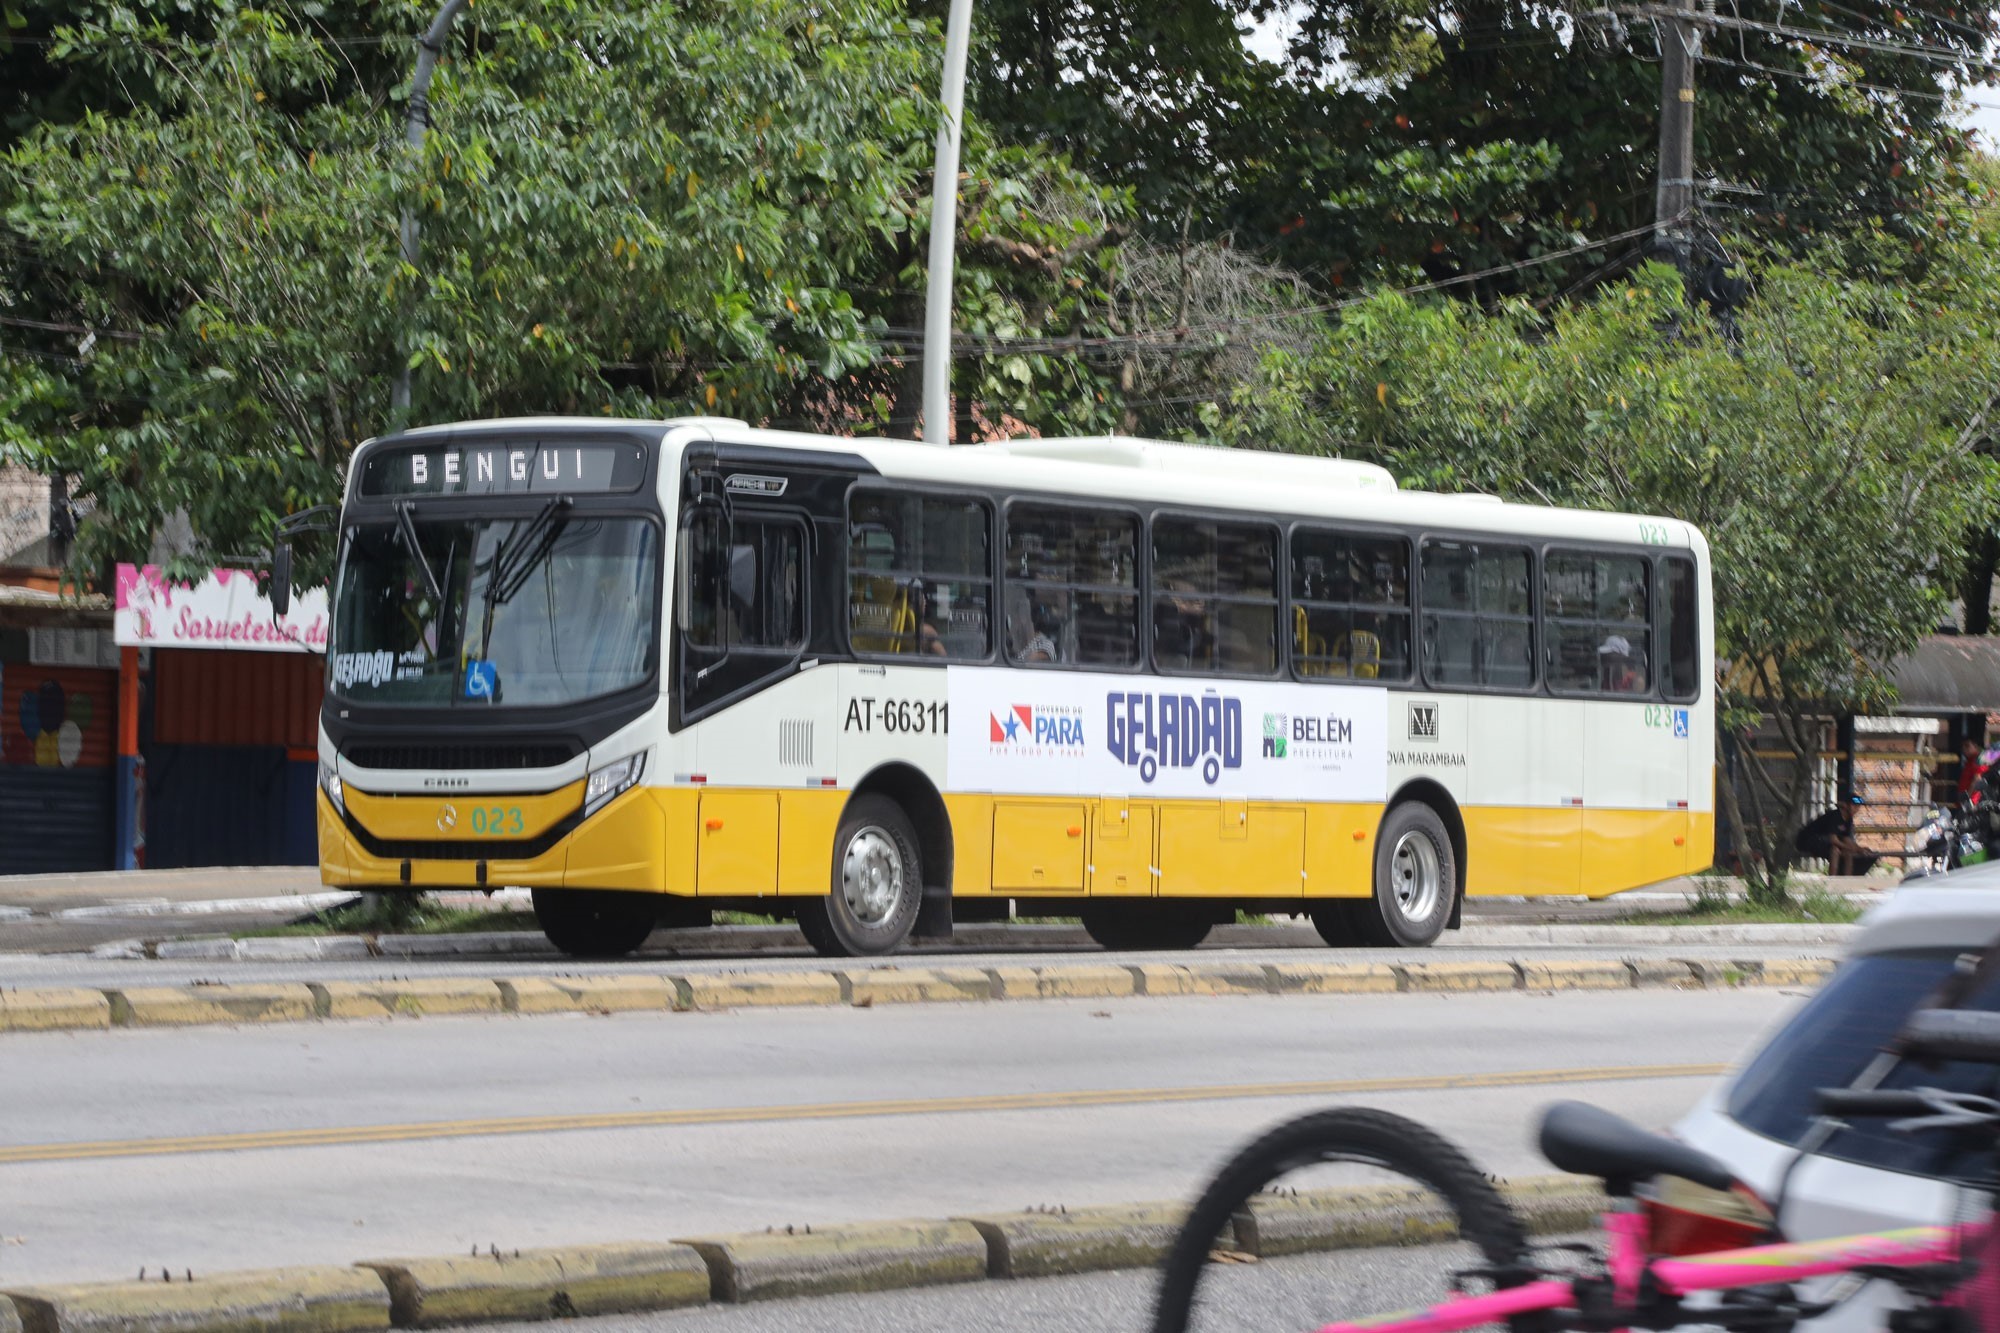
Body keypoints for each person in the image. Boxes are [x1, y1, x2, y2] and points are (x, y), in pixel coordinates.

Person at [1795, 800, 1880, 875]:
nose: (1856, 809)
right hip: (1808, 840)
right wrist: (1854, 849)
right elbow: (1833, 839)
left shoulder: (1849, 819)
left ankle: (1846, 881)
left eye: (1858, 806)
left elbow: (1847, 840)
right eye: (1854, 805)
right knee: (1835, 850)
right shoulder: (1835, 816)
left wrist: (1860, 849)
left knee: (1848, 852)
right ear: (1845, 805)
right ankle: (1833, 881)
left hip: (1824, 842)